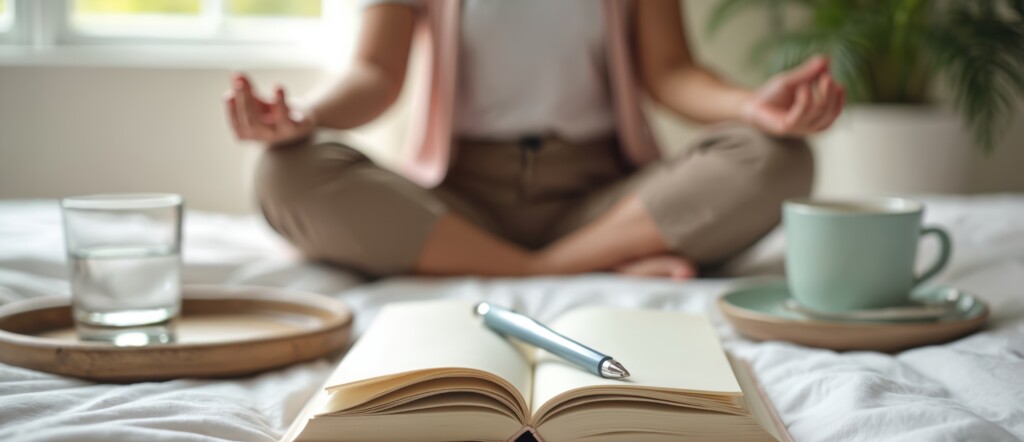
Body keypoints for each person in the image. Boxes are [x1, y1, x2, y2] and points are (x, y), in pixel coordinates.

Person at [224, 0, 843, 279]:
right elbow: (376, 77)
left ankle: (540, 263)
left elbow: (672, 72)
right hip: (459, 205)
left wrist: (752, 106)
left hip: (605, 200)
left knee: (777, 156)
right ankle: (557, 267)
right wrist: (304, 115)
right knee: (283, 173)